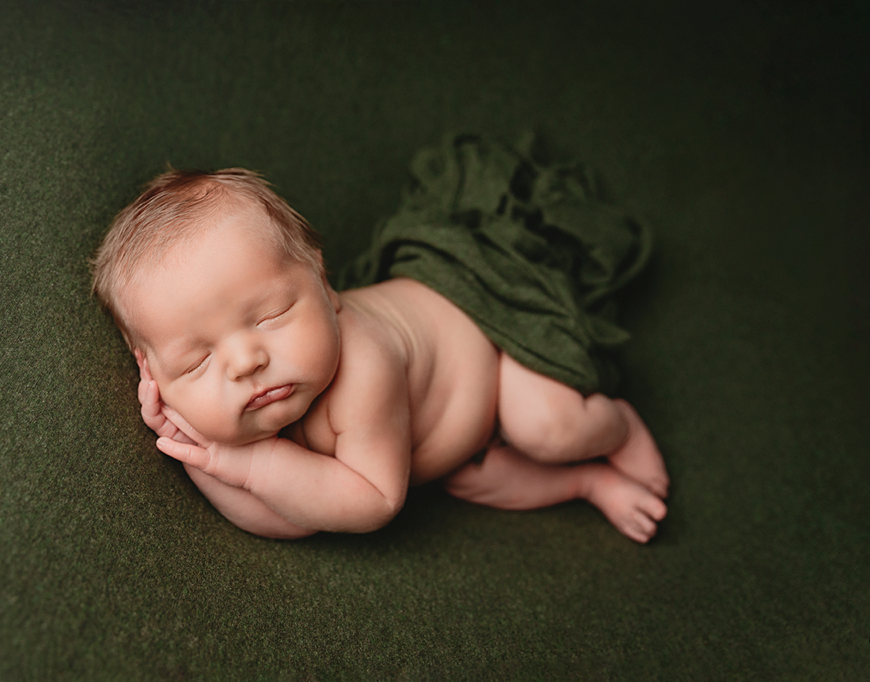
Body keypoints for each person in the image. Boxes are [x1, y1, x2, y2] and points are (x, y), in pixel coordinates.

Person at [90, 136, 669, 543]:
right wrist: (205, 456)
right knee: (477, 480)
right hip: (451, 445)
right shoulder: (253, 415)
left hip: (490, 340)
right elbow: (293, 518)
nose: (246, 361)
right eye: (196, 362)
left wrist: (248, 464)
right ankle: (585, 482)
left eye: (269, 315)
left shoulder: (364, 366)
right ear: (154, 375)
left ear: (323, 282)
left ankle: (616, 423)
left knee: (545, 426)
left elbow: (371, 501)